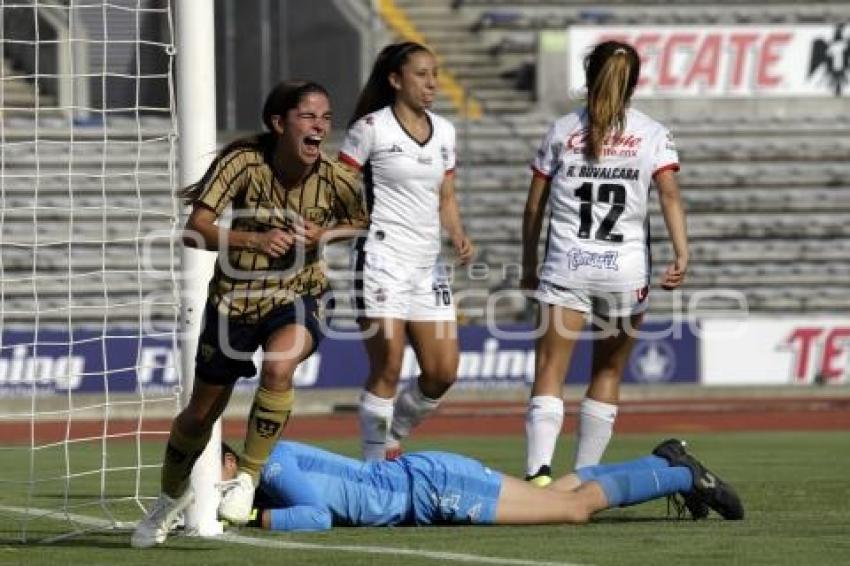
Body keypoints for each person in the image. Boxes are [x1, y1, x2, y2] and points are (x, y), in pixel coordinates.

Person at [131, 80, 367, 548]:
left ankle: (248, 478)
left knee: (280, 368)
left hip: (299, 295)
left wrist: (326, 235)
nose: (320, 126)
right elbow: (195, 229)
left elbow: (361, 221)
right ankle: (166, 500)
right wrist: (252, 240)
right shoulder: (242, 162)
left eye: (325, 117)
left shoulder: (338, 178)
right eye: (308, 117)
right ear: (279, 123)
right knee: (199, 417)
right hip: (233, 305)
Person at [521, 41, 689, 484]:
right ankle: (584, 476)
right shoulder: (653, 133)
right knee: (608, 370)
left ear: (588, 74)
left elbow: (534, 206)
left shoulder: (561, 130)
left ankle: (538, 472)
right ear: (634, 82)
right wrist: (682, 251)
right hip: (624, 271)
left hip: (567, 265)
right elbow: (669, 194)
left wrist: (526, 262)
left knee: (550, 370)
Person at [337, 42, 475, 461]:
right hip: (380, 258)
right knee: (389, 365)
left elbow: (445, 194)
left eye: (434, 73)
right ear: (396, 80)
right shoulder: (370, 129)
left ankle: (394, 428)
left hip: (427, 265)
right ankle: (375, 465)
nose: (432, 83)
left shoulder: (446, 132)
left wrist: (457, 233)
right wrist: (340, 226)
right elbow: (340, 185)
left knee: (443, 371)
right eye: (421, 74)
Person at [214, 438, 742, 533]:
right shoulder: (269, 466)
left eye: (213, 473)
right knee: (559, 496)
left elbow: (317, 517)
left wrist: (247, 518)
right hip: (430, 481)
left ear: (233, 460)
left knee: (572, 511)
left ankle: (684, 475)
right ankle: (663, 460)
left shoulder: (272, 464)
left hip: (432, 490)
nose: (212, 487)